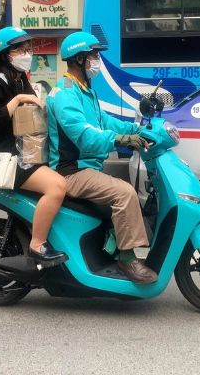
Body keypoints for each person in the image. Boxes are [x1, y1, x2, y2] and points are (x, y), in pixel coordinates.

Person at [46, 31, 158, 284]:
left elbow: (104, 121)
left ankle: (113, 247)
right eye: (94, 55)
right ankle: (127, 260)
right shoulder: (64, 93)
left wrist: (136, 129)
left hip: (88, 167)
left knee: (124, 192)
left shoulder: (85, 90)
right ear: (79, 59)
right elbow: (84, 135)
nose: (97, 60)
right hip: (71, 171)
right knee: (124, 192)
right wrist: (121, 140)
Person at [0, 26, 68, 264]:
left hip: (24, 153)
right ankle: (37, 244)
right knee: (57, 187)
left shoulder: (20, 80)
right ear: (5, 54)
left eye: (27, 48)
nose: (26, 53)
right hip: (7, 158)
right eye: (19, 49)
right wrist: (19, 99)